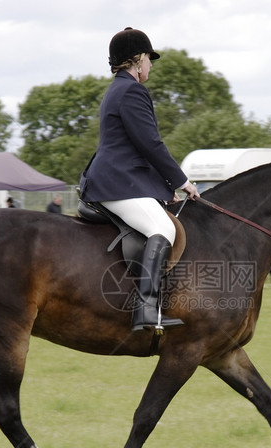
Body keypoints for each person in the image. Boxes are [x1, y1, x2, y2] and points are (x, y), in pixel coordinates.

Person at [80, 27, 199, 333]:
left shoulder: (117, 89)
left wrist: (162, 188)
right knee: (162, 228)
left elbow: (135, 149)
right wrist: (181, 181)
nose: (150, 65)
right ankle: (146, 309)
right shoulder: (132, 91)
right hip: (116, 182)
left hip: (120, 179)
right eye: (149, 58)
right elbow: (150, 144)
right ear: (136, 60)